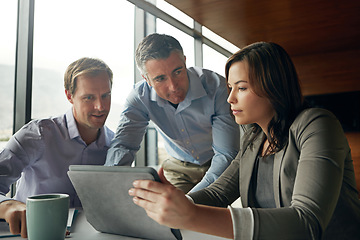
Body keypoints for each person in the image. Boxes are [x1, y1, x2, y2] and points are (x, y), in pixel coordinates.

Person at [128, 42, 360, 239]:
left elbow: (307, 222)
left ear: (273, 86)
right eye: (230, 87)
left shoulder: (317, 124)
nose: (230, 98)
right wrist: (178, 202)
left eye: (241, 88)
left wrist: (192, 214)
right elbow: (218, 193)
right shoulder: (254, 140)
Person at [106, 33, 240, 193]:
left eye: (177, 72)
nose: (173, 86)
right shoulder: (140, 98)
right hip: (178, 168)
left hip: (219, 161)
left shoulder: (217, 88)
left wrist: (189, 201)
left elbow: (226, 154)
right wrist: (108, 184)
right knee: (172, 216)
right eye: (160, 79)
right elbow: (124, 145)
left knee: (207, 213)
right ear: (146, 79)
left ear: (184, 61)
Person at [0, 57, 114, 238]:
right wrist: (7, 205)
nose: (100, 106)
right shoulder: (37, 134)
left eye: (105, 95)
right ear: (70, 96)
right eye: (89, 97)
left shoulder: (115, 148)